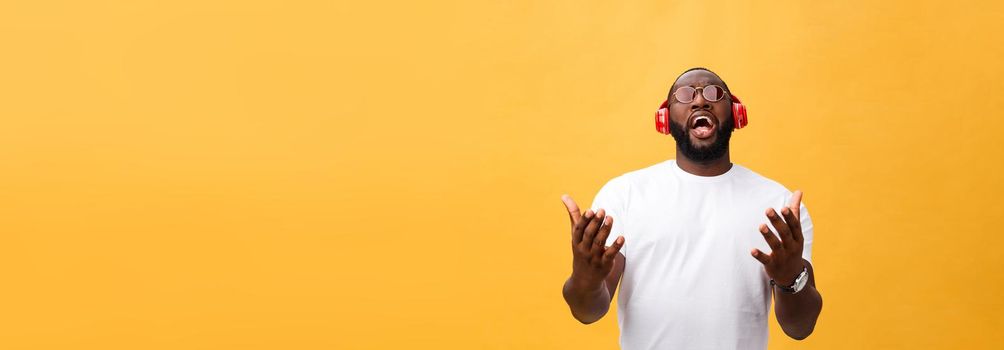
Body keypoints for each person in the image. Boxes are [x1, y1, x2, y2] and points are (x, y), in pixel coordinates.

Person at [560, 67, 823, 349]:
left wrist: (790, 278)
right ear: (665, 119)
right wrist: (584, 277)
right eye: (685, 95)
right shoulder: (624, 195)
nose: (700, 101)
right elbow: (587, 312)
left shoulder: (779, 205)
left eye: (714, 92)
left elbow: (801, 327)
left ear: (736, 114)